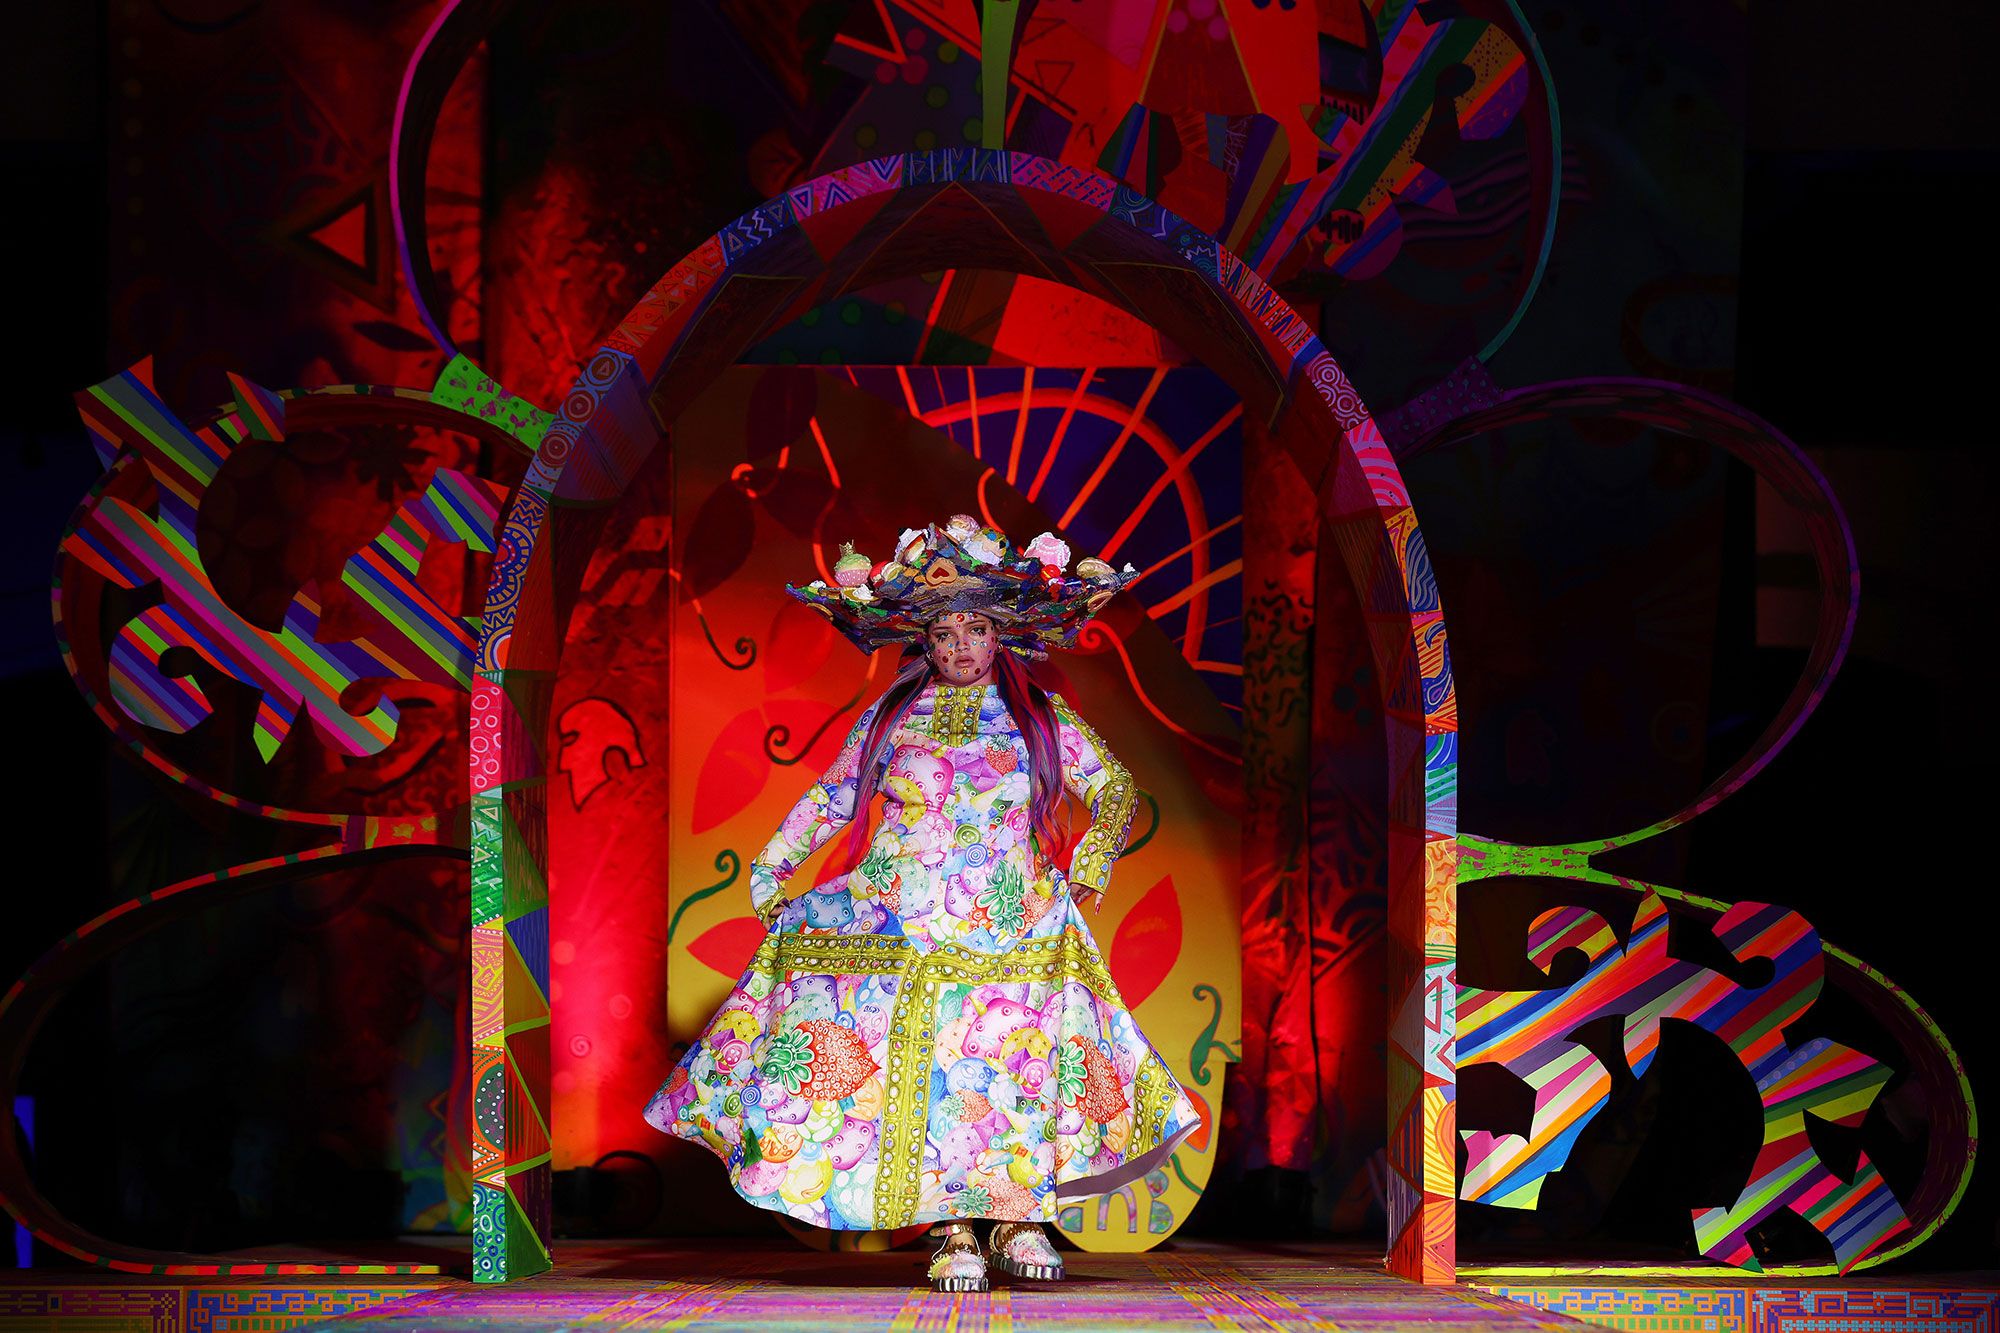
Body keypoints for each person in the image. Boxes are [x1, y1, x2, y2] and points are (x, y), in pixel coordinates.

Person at [643, 515, 1202, 1292]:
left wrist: (1093, 859)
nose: (960, 647)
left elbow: (1113, 788)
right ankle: (950, 1227)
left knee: (1015, 1067)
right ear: (925, 642)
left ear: (1000, 633)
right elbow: (835, 795)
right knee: (937, 1074)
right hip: (902, 918)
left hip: (1017, 922)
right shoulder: (891, 718)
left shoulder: (1040, 717)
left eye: (975, 628)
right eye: (944, 633)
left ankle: (1015, 1215)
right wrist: (775, 861)